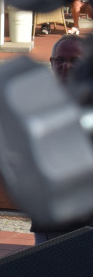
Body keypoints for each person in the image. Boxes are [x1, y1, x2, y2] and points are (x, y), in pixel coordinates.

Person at [30, 35, 91, 243]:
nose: (66, 66)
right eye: (60, 60)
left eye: (74, 60)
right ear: (51, 62)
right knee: (50, 272)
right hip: (51, 215)